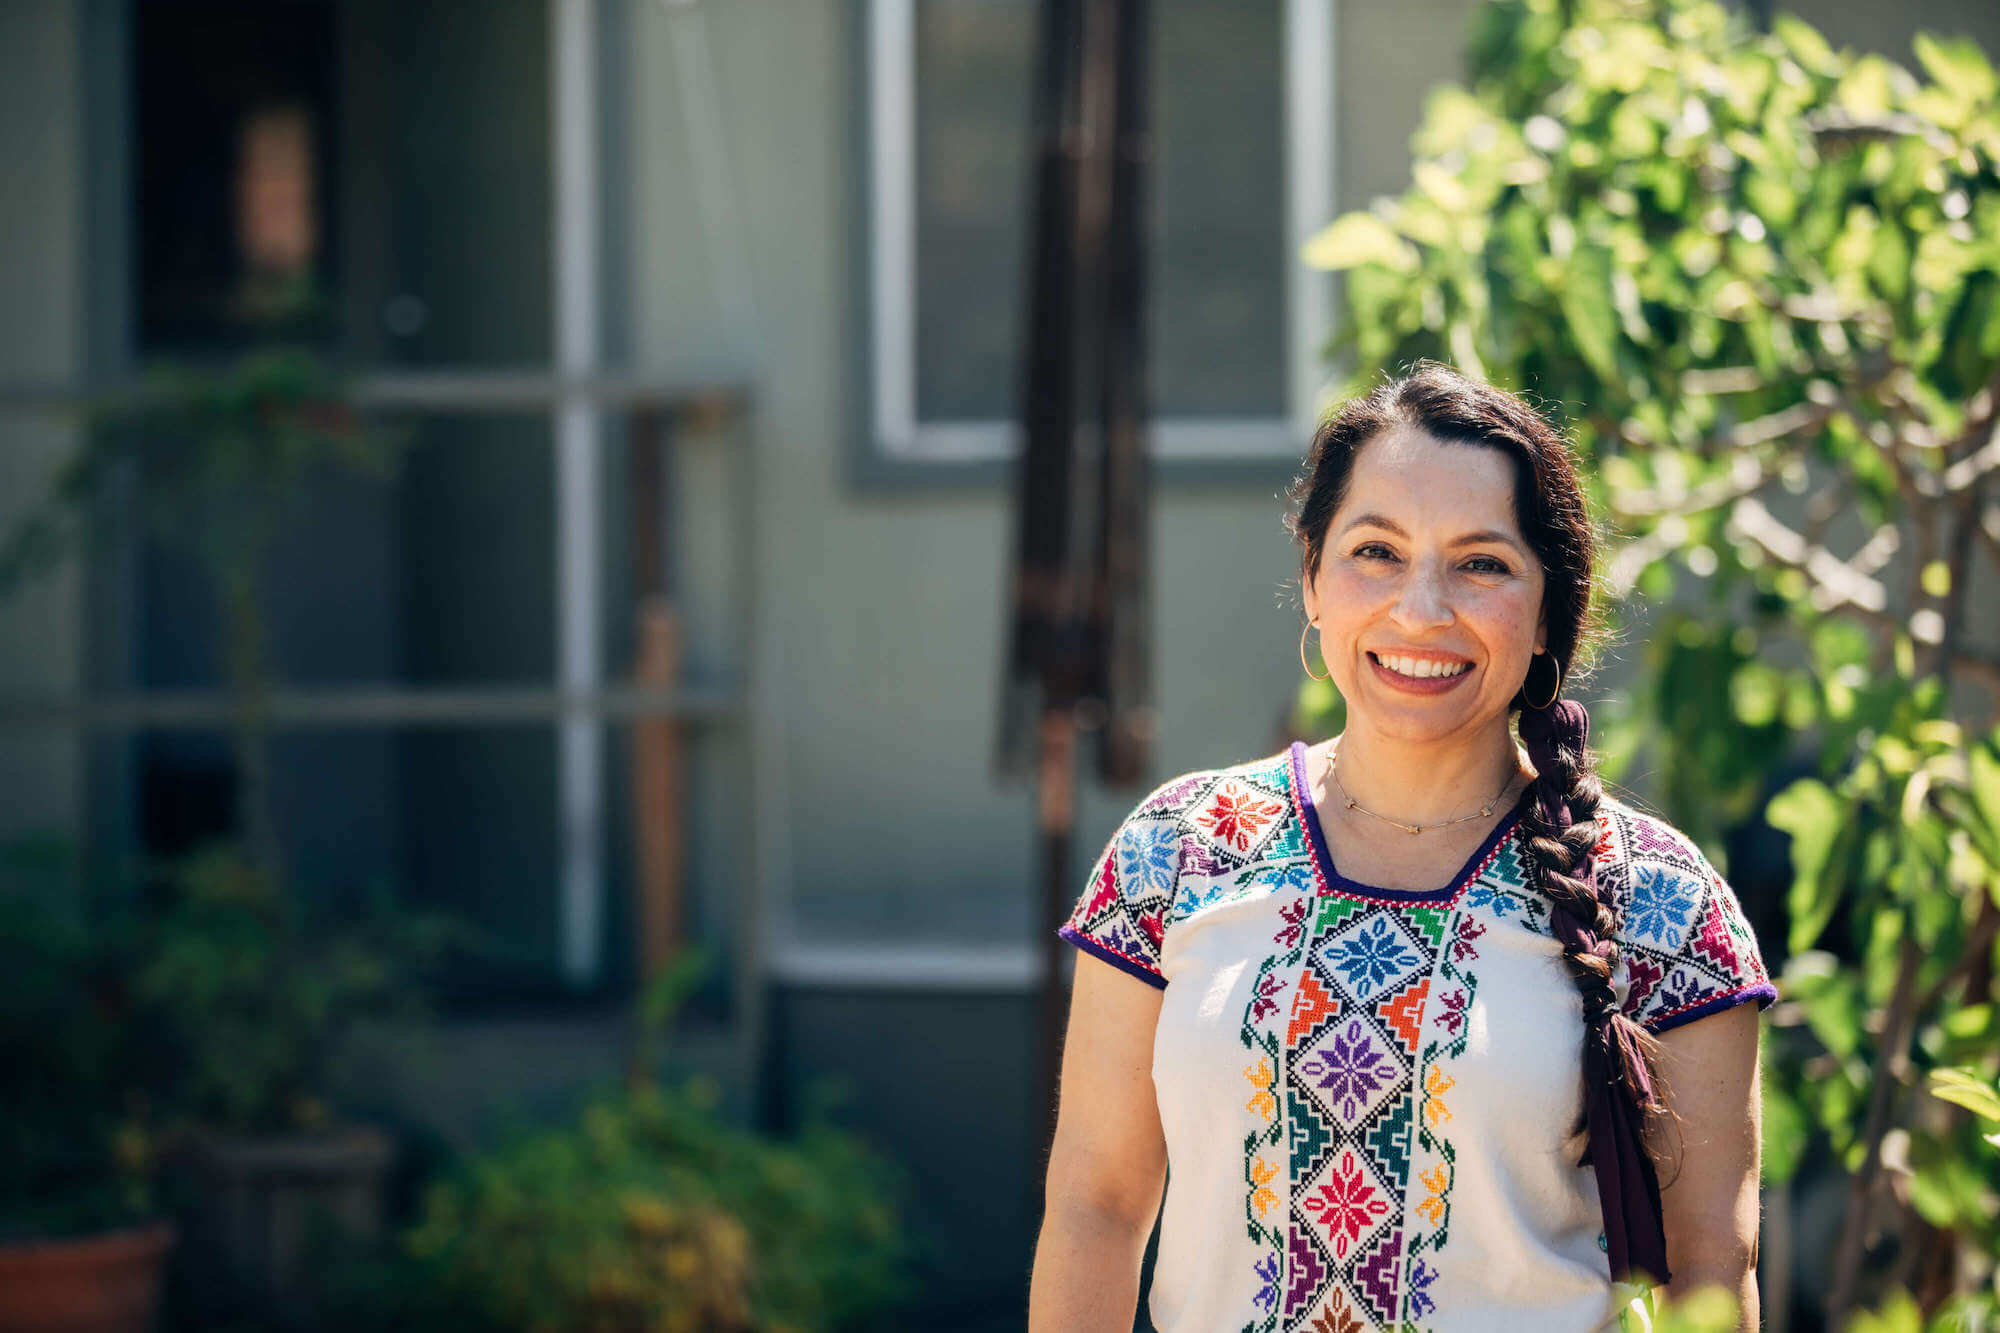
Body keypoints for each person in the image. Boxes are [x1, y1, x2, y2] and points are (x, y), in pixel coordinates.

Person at [1026, 363, 1775, 1333]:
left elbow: (1711, 1273)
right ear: (1310, 578)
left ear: (1549, 612)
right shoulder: (1173, 854)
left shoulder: (1662, 904)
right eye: (1374, 550)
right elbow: (1096, 1207)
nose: (1419, 610)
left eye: (1481, 563)